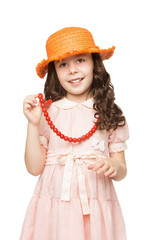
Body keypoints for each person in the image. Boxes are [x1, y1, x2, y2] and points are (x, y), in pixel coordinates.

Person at [21, 27, 129, 240]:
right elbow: (34, 168)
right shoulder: (47, 113)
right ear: (55, 72)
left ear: (95, 64)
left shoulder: (109, 112)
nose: (72, 70)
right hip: (54, 211)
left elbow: (122, 170)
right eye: (63, 64)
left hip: (95, 211)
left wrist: (115, 166)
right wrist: (33, 124)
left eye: (80, 60)